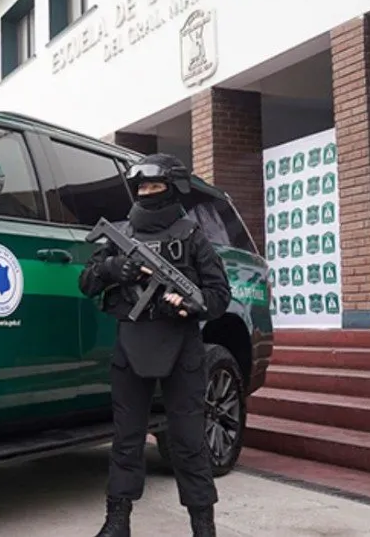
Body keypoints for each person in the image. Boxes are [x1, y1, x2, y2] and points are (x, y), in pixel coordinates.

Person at [78, 153, 232, 537]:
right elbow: (87, 282)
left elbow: (219, 294)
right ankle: (117, 520)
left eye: (155, 187)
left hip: (183, 348)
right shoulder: (120, 234)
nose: (146, 193)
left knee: (189, 439)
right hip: (131, 344)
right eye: (141, 187)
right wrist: (115, 268)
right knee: (126, 437)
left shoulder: (193, 235)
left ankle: (203, 524)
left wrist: (194, 303)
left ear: (172, 189)